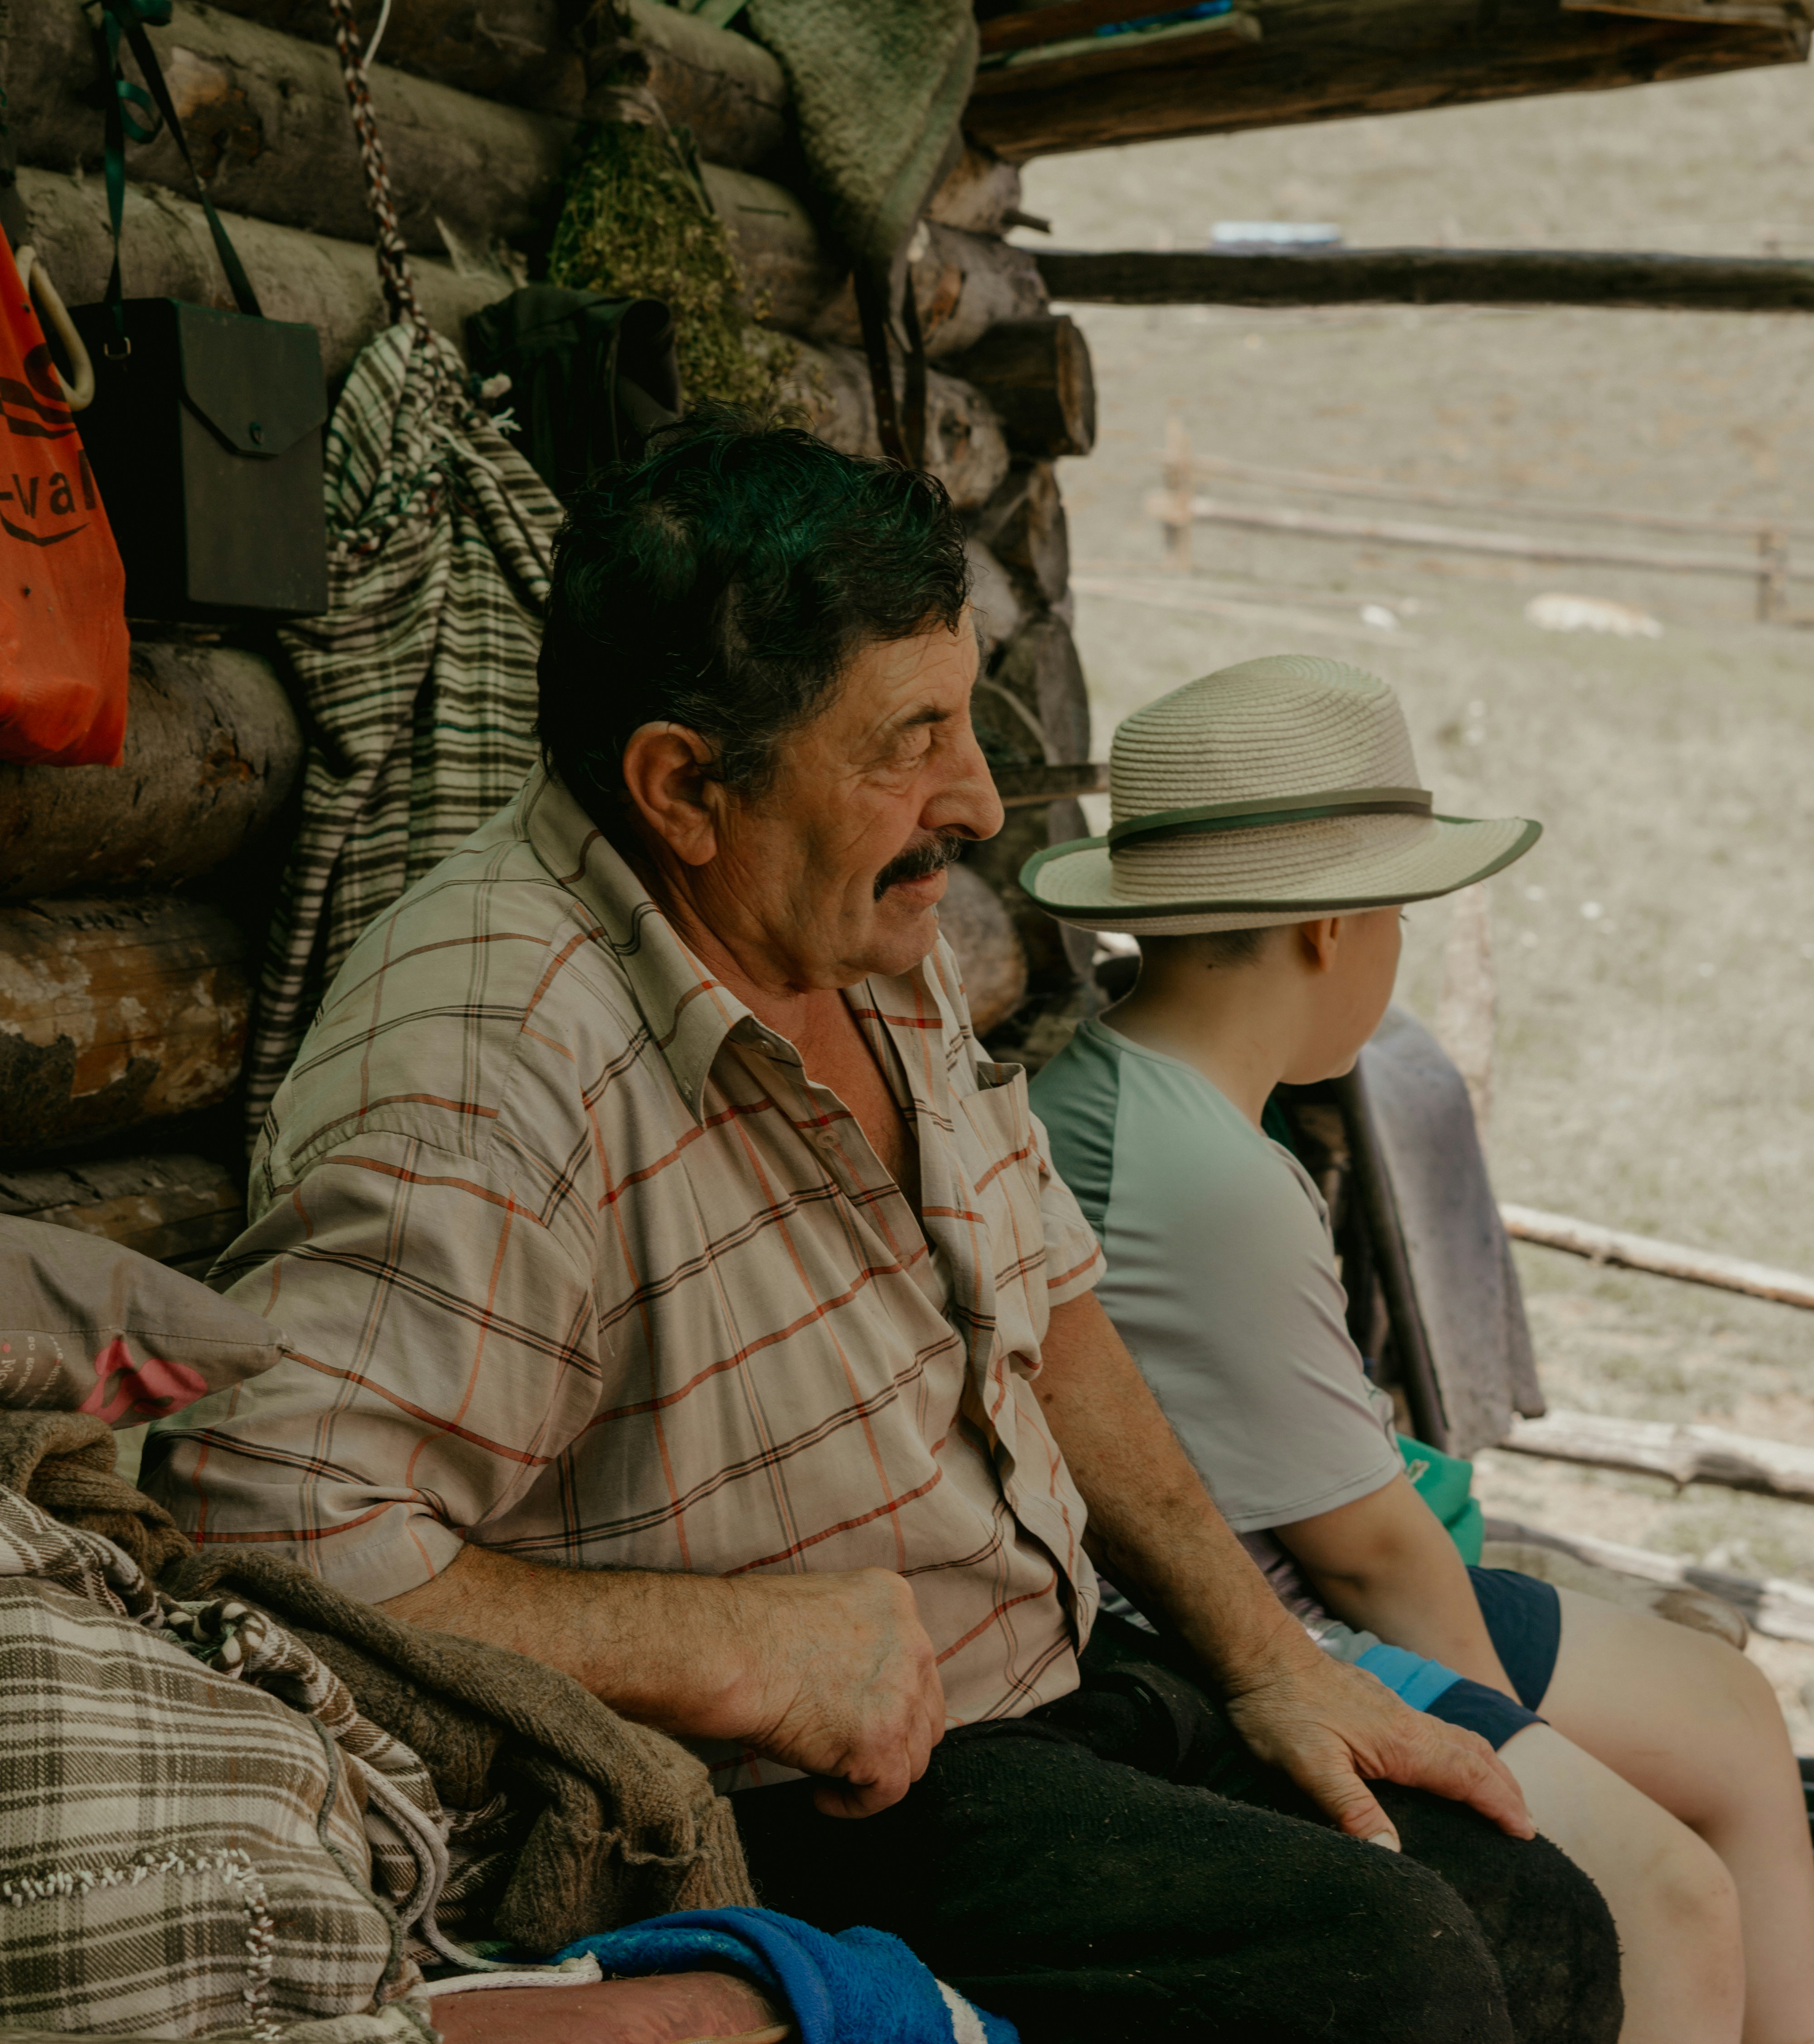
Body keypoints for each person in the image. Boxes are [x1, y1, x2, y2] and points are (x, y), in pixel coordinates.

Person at [146, 421, 1619, 2044]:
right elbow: (257, 1525)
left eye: (965, 717)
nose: (975, 799)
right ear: (684, 788)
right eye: (911, 741)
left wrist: (1267, 1657)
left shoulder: (850, 919)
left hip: (1051, 1687)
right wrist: (720, 1644)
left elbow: (1054, 1316)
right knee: (1391, 1981)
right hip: (792, 1806)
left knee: (1538, 1916)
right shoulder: (485, 1059)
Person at [1027, 653, 1814, 2044]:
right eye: (1400, 908)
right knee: (1673, 1897)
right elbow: (1369, 1560)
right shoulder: (1208, 1179)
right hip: (1265, 1638)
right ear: (1333, 927)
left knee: (1733, 1712)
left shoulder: (1115, 1083)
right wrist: (1528, 1760)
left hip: (1276, 1590)